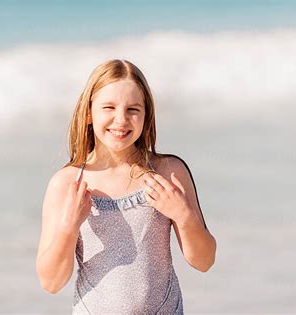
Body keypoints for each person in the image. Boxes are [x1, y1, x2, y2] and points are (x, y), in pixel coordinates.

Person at [36, 59, 217, 314]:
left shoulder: (167, 173)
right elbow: (51, 282)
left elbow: (204, 261)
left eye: (133, 109)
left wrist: (183, 216)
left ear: (146, 116)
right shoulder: (68, 184)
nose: (121, 120)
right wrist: (69, 226)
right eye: (108, 107)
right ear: (89, 113)